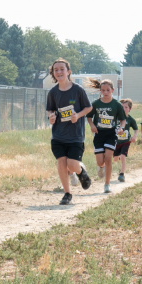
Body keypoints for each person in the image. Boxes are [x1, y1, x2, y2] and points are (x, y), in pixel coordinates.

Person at [46, 59, 93, 205]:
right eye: (56, 70)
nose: (59, 72)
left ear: (68, 71)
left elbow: (88, 107)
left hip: (75, 136)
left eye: (62, 69)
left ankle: (80, 171)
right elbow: (50, 109)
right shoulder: (53, 92)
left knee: (72, 165)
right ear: (53, 74)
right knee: (61, 163)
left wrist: (78, 115)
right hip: (58, 135)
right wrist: (51, 116)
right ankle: (67, 194)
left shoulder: (78, 90)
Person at [84, 79, 126, 193]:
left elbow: (123, 120)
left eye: (108, 90)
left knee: (108, 159)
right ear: (100, 91)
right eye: (103, 90)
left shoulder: (117, 104)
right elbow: (88, 116)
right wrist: (92, 125)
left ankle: (107, 184)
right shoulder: (96, 104)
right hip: (99, 134)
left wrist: (121, 128)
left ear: (112, 90)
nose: (105, 92)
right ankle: (101, 167)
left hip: (111, 133)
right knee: (100, 162)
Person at [114, 98, 138, 182]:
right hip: (116, 142)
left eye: (126, 107)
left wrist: (134, 136)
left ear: (130, 109)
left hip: (125, 141)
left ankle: (122, 174)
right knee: (115, 159)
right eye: (122, 107)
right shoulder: (116, 118)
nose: (124, 109)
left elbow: (136, 129)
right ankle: (119, 157)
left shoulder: (130, 119)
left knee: (123, 156)